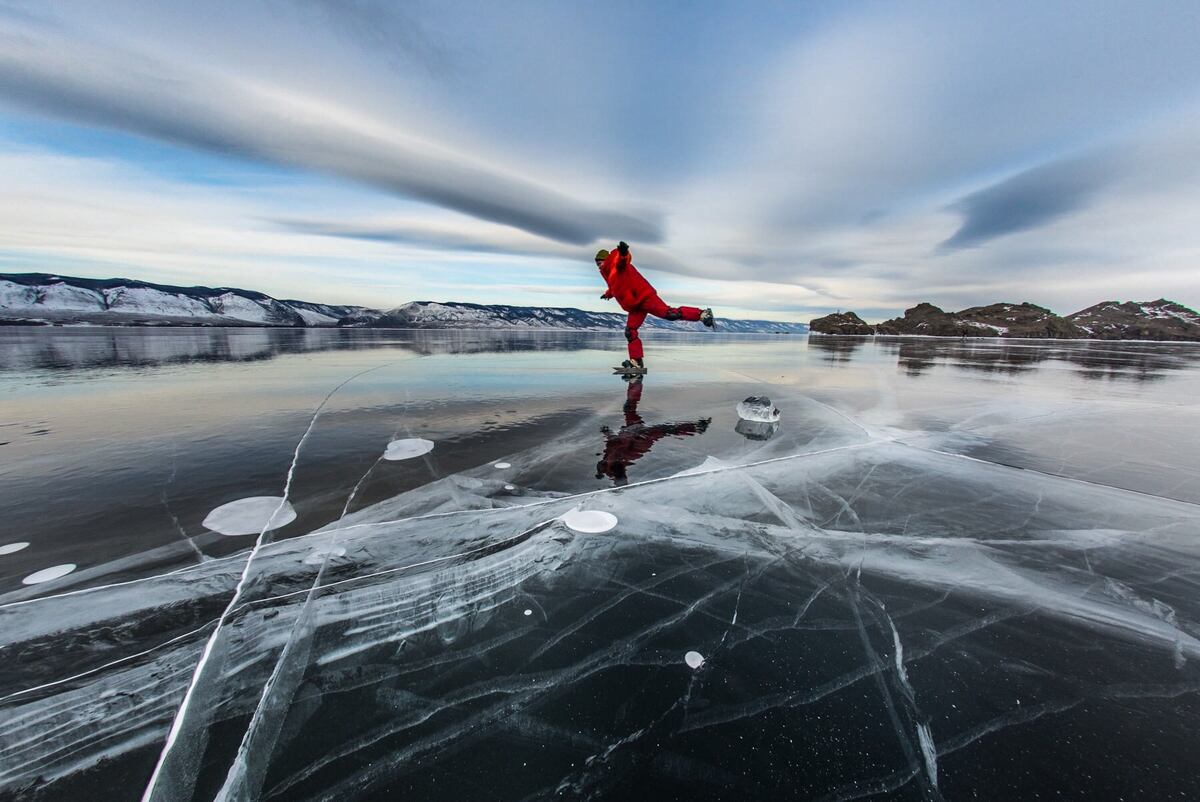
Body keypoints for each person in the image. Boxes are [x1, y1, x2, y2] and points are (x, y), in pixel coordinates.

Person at [596, 241, 714, 373]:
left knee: (670, 314)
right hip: (635, 306)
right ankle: (636, 362)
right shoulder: (609, 274)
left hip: (644, 297)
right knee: (630, 331)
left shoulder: (616, 266)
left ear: (607, 260)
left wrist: (623, 253)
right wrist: (608, 294)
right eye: (597, 263)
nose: (598, 265)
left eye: (600, 262)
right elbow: (615, 287)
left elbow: (623, 261)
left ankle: (702, 314)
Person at [595, 376, 711, 485]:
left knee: (629, 408)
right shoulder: (618, 462)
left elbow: (612, 442)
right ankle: (696, 427)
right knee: (665, 429)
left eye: (601, 464)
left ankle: (635, 382)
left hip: (630, 430)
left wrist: (607, 432)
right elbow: (620, 467)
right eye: (602, 465)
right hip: (640, 436)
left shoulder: (607, 458)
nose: (602, 462)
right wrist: (620, 484)